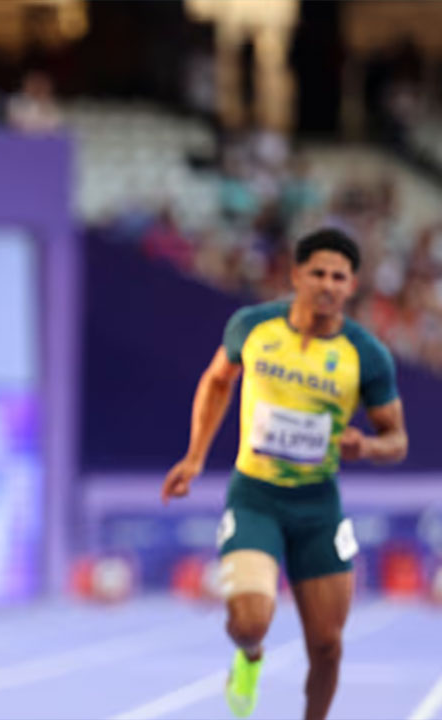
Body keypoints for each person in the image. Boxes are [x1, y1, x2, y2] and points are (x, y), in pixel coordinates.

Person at [162, 228, 408, 720]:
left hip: (318, 507)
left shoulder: (367, 354)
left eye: (339, 276)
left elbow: (397, 439)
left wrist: (368, 444)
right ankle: (249, 658)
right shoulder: (252, 326)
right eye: (317, 272)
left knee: (328, 646)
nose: (327, 284)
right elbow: (216, 383)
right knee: (250, 621)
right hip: (256, 496)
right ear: (296, 275)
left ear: (351, 285)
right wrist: (194, 457)